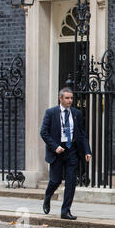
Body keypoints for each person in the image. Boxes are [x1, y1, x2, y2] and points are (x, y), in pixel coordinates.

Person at [40, 87, 92, 220]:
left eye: (71, 98)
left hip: (72, 150)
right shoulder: (51, 113)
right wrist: (55, 146)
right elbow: (44, 133)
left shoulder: (76, 113)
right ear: (60, 98)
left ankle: (65, 211)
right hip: (57, 150)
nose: (70, 101)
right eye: (67, 98)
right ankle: (48, 196)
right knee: (55, 180)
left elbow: (82, 134)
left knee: (71, 181)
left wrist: (87, 150)